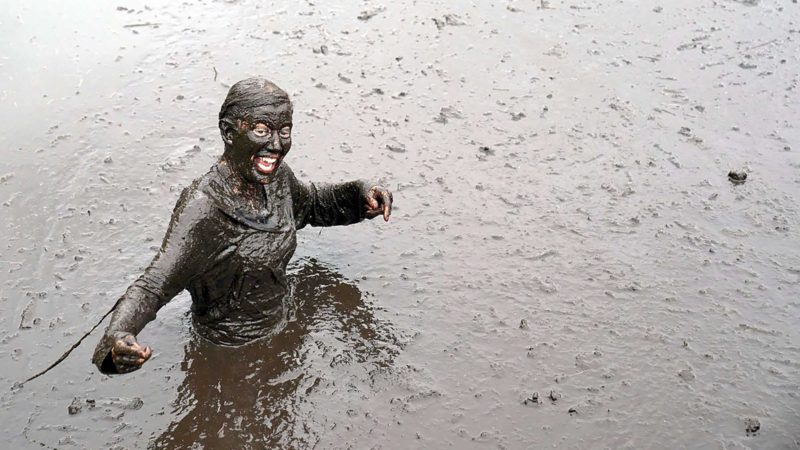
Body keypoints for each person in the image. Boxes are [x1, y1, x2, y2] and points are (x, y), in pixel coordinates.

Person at [91, 78, 393, 374]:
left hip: (282, 332)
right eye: (262, 130)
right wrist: (118, 338)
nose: (276, 145)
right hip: (228, 354)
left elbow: (312, 204)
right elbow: (154, 284)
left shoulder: (276, 180)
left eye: (284, 131)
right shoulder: (203, 208)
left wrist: (360, 194)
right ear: (229, 132)